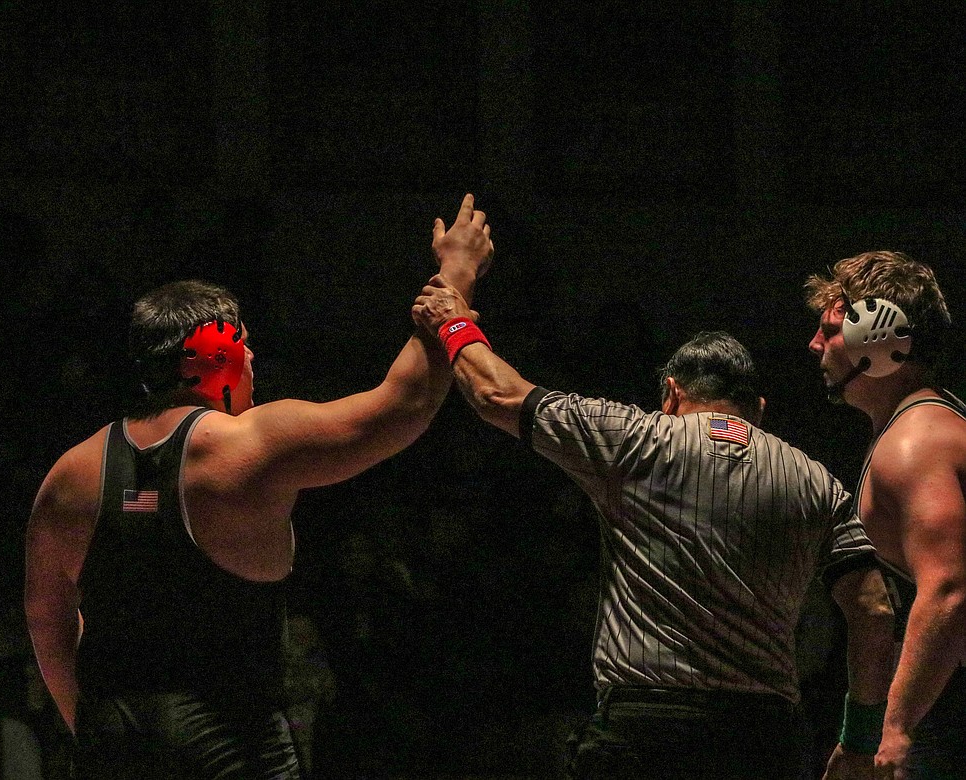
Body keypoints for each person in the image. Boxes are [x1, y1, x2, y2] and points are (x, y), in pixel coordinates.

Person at [24, 194, 493, 779]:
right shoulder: (250, 444)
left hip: (113, 738)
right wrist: (456, 278)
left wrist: (92, 731)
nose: (252, 353)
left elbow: (47, 617)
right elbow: (404, 406)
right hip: (225, 740)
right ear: (217, 354)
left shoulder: (70, 473)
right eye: (242, 341)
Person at [411, 275, 896, 780]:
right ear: (759, 411)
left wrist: (453, 322)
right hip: (763, 742)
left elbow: (495, 393)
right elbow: (874, 606)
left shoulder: (634, 439)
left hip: (645, 735)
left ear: (671, 394)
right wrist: (859, 739)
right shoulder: (817, 481)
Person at [806, 251, 966, 779]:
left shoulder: (914, 444)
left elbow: (948, 586)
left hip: (945, 715)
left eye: (828, 331)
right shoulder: (931, 420)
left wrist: (894, 731)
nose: (814, 345)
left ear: (877, 340)